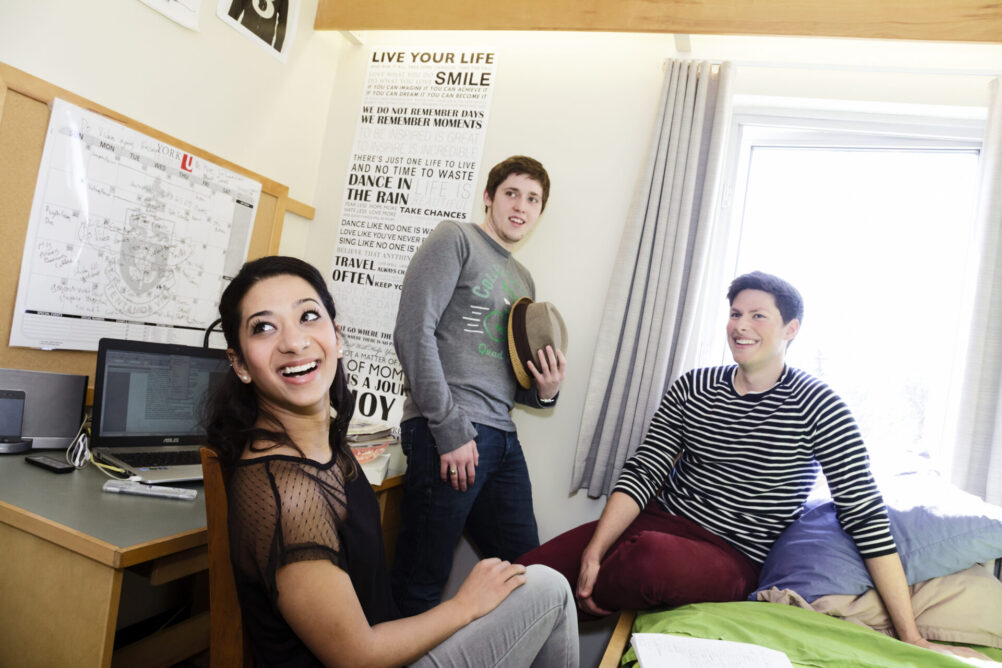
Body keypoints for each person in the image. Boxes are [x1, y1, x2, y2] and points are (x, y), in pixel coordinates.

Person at [519, 270, 983, 659]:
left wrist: (912, 636)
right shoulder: (693, 386)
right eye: (736, 314)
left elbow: (865, 517)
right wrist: (596, 551)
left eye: (758, 315)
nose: (742, 325)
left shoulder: (821, 406)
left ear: (791, 329)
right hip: (654, 522)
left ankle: (577, 596)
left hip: (732, 555)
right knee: (518, 577)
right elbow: (645, 471)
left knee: (649, 558)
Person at [205, 256, 578, 668]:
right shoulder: (288, 492)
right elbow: (357, 655)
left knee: (541, 584)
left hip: (387, 647)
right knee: (550, 589)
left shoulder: (322, 444)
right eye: (264, 327)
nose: (294, 342)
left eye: (308, 316)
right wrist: (464, 606)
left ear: (337, 336)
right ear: (239, 363)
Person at [390, 155, 568, 616]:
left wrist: (545, 389)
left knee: (528, 574)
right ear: (489, 197)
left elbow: (514, 378)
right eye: (511, 193)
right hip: (449, 430)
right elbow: (413, 333)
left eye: (533, 199)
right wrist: (450, 431)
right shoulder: (456, 239)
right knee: (420, 579)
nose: (521, 206)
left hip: (502, 437)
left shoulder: (523, 277)